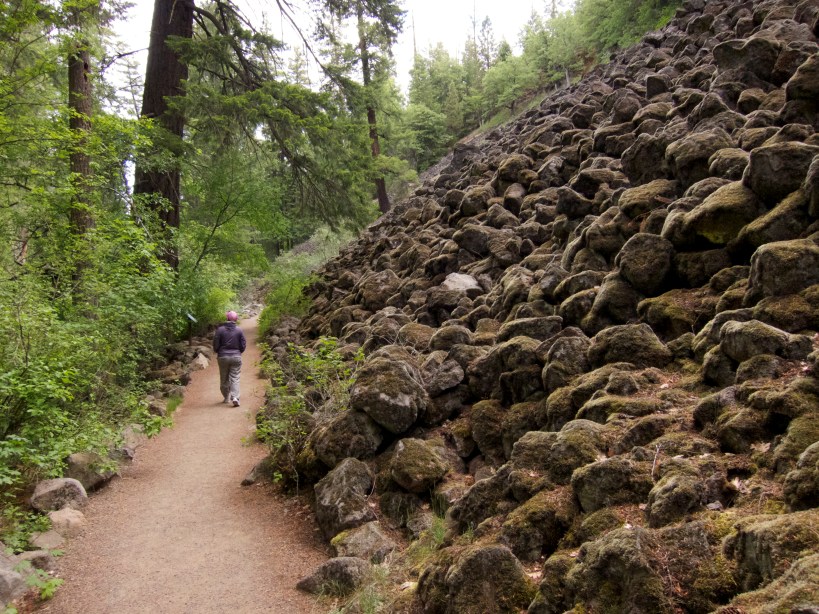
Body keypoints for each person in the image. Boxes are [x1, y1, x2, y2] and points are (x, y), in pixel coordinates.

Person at [213, 311, 246, 406]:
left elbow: (216, 344)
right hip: (236, 356)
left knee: (224, 378)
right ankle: (235, 397)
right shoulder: (239, 330)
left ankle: (226, 397)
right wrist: (239, 352)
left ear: (227, 318)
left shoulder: (220, 330)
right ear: (236, 319)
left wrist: (218, 351)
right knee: (235, 377)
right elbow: (243, 344)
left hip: (222, 357)